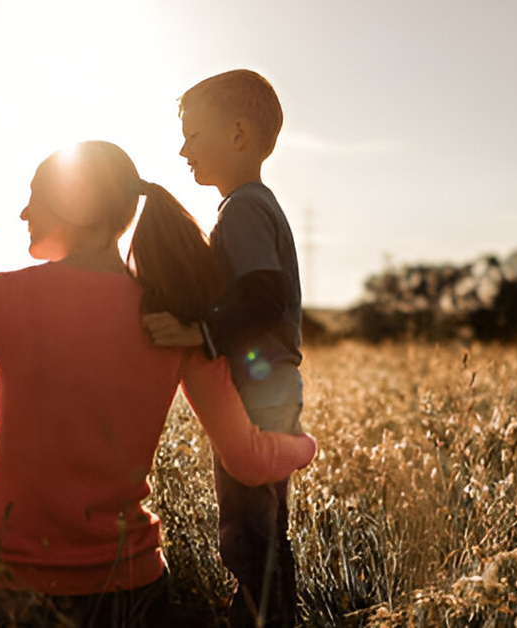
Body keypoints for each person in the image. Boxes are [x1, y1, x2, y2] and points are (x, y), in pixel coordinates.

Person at [0, 141, 317, 627]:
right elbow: (247, 461)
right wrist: (304, 447)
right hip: (129, 590)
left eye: (34, 196)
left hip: (2, 587)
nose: (22, 211)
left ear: (74, 202)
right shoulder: (172, 318)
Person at [142, 69, 304, 628]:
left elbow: (265, 296)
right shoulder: (250, 205)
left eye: (193, 135)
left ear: (237, 134)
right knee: (261, 528)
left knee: (248, 531)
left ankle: (261, 620)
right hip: (268, 383)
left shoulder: (244, 210)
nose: (182, 149)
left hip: (260, 386)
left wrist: (199, 334)